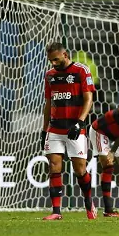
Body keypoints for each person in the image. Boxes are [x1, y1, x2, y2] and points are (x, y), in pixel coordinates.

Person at [41, 42, 96, 220]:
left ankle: (89, 205)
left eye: (56, 59)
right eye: (51, 60)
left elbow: (89, 98)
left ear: (65, 55)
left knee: (80, 170)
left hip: (75, 128)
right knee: (54, 166)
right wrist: (44, 130)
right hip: (55, 128)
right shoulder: (49, 75)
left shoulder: (81, 70)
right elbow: (48, 104)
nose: (53, 63)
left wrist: (80, 123)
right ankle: (56, 211)